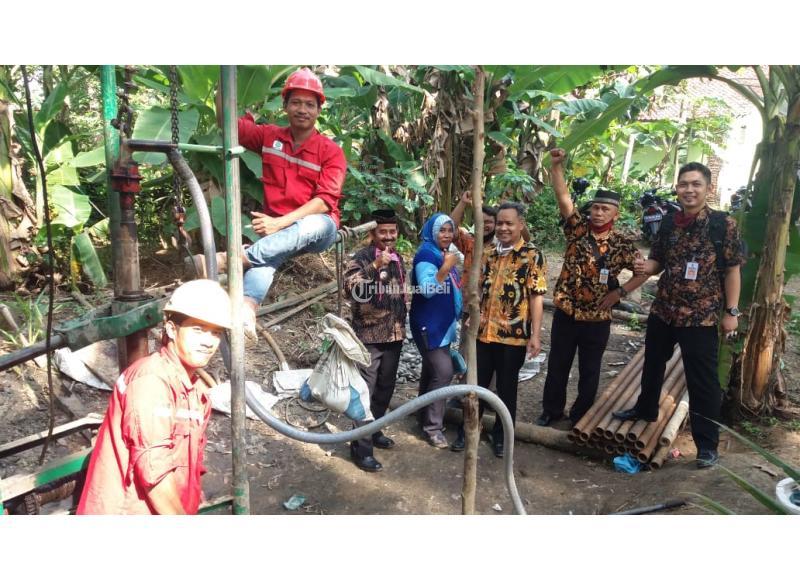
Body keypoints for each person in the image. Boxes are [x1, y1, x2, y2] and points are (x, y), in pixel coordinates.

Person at [198, 67, 346, 342]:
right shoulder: (270, 137)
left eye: (309, 104)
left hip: (318, 228)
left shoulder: (331, 151)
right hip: (278, 231)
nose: (302, 110)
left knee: (309, 226)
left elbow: (325, 202)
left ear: (318, 110)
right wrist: (222, 78)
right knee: (269, 255)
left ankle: (232, 259)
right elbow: (227, 123)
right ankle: (246, 310)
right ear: (285, 106)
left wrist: (280, 223)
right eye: (296, 102)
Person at [612, 161, 744, 469]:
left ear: (708, 188)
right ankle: (646, 409)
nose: (689, 189)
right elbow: (658, 260)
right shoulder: (670, 220)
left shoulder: (723, 224)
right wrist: (645, 267)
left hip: (700, 315)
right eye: (684, 184)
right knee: (653, 363)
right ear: (677, 188)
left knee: (702, 381)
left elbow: (733, 270)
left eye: (696, 184)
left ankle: (707, 445)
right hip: (664, 309)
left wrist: (732, 311)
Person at [76, 280, 232, 514]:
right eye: (198, 329)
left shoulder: (196, 392)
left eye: (216, 332)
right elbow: (154, 474)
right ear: (171, 329)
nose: (208, 342)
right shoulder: (151, 381)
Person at [536, 149, 648, 427]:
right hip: (566, 311)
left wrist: (620, 293)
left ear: (615, 213)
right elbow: (564, 199)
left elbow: (643, 272)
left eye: (604, 209)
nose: (598, 213)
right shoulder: (577, 229)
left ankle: (580, 415)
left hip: (597, 317)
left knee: (590, 370)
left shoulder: (622, 244)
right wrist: (556, 167)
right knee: (557, 365)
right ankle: (551, 411)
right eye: (595, 208)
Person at [451, 202, 547, 457]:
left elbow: (536, 297)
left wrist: (535, 335)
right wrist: (475, 313)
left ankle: (502, 436)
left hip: (513, 337)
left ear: (520, 225)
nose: (503, 228)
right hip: (484, 333)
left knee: (507, 389)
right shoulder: (488, 252)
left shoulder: (532, 255)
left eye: (509, 223)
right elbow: (480, 288)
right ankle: (468, 430)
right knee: (476, 386)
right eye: (500, 223)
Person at [343, 209, 408, 472]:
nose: (389, 236)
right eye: (383, 232)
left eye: (393, 231)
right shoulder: (361, 258)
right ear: (373, 233)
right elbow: (351, 289)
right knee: (365, 393)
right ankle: (361, 448)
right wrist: (375, 266)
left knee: (385, 388)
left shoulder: (398, 258)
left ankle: (375, 430)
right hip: (369, 337)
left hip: (394, 335)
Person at [409, 213, 462, 449]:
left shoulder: (443, 252)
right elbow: (428, 289)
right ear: (432, 232)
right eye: (442, 230)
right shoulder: (426, 255)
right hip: (428, 326)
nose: (447, 235)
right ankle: (433, 428)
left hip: (441, 325)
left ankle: (423, 416)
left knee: (431, 371)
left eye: (450, 230)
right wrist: (446, 268)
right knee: (443, 372)